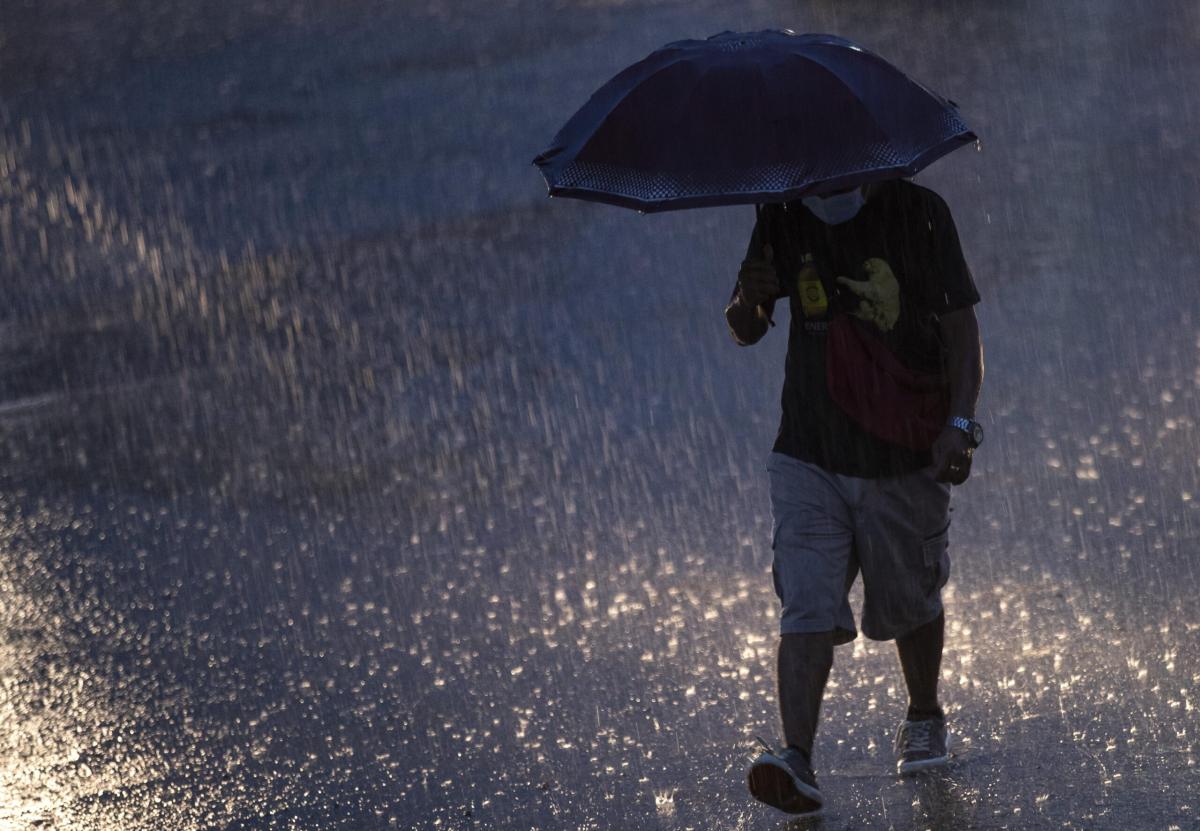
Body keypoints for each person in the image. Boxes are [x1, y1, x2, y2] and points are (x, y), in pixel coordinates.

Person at [727, 179, 984, 815]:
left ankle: (923, 712)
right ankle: (796, 757)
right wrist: (748, 302)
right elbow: (746, 326)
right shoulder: (781, 211)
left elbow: (960, 329)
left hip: (902, 445)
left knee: (908, 597)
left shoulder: (920, 212)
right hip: (807, 449)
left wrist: (959, 423)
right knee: (807, 599)